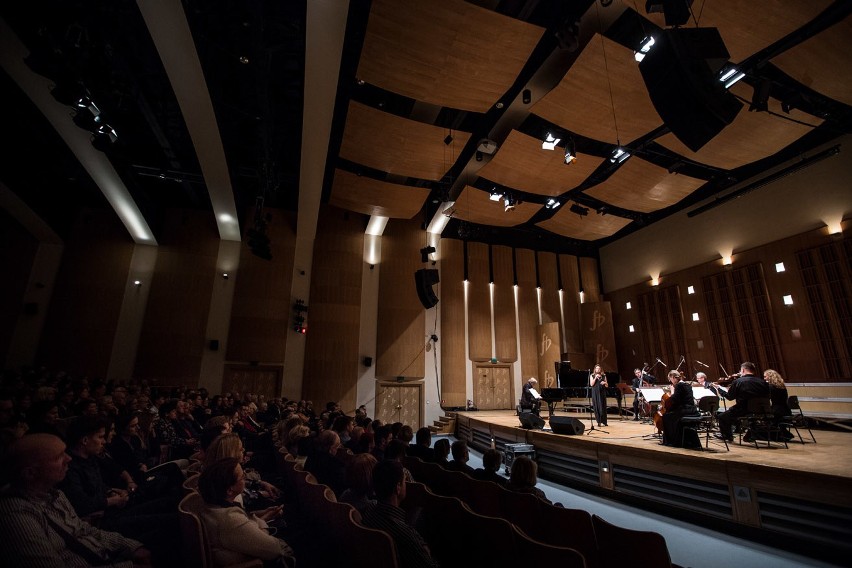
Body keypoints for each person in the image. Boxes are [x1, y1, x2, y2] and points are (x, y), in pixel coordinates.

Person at [0, 433, 151, 567]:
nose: (69, 458)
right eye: (58, 457)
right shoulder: (16, 515)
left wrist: (131, 546)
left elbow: (84, 530)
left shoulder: (56, 494)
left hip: (106, 555)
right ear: (30, 473)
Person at [197, 457, 295, 567]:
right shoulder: (229, 519)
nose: (245, 479)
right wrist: (262, 523)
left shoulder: (211, 505)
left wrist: (263, 517)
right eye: (242, 477)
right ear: (229, 490)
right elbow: (275, 550)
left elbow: (246, 529)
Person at [361, 460, 439, 568]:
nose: (405, 485)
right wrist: (424, 550)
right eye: (404, 482)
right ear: (398, 488)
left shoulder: (368, 509)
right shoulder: (405, 535)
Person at [715, 362, 771, 441]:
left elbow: (730, 397)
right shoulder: (763, 382)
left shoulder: (738, 381)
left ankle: (727, 436)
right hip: (762, 410)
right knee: (734, 414)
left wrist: (720, 390)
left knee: (722, 416)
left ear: (743, 370)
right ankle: (748, 434)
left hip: (743, 409)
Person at [661, 371, 701, 448]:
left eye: (670, 379)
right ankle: (685, 440)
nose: (671, 381)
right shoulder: (687, 385)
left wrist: (672, 390)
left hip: (684, 411)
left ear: (673, 377)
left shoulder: (679, 386)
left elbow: (674, 400)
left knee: (666, 416)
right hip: (692, 410)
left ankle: (673, 441)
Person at [764, 369, 794, 441]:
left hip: (777, 411)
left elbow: (766, 398)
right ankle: (783, 432)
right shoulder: (782, 386)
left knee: (762, 416)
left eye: (765, 377)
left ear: (769, 377)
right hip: (786, 410)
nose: (764, 378)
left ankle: (774, 434)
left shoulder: (771, 387)